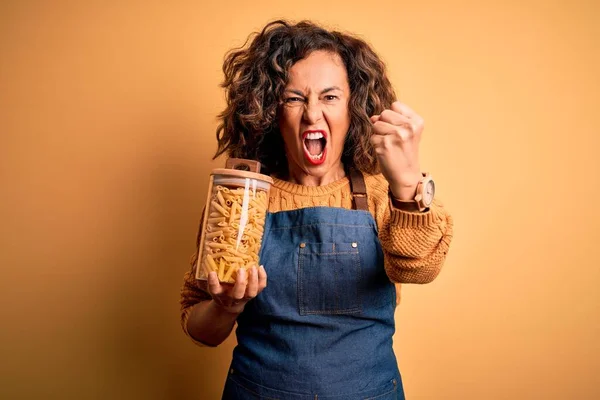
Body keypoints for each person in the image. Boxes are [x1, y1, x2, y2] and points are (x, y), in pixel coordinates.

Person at [180, 19, 453, 400]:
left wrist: (407, 182)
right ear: (269, 111)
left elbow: (420, 268)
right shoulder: (240, 201)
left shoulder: (381, 193)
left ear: (353, 107)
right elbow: (199, 327)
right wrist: (226, 306)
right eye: (293, 98)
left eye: (329, 97)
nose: (311, 114)